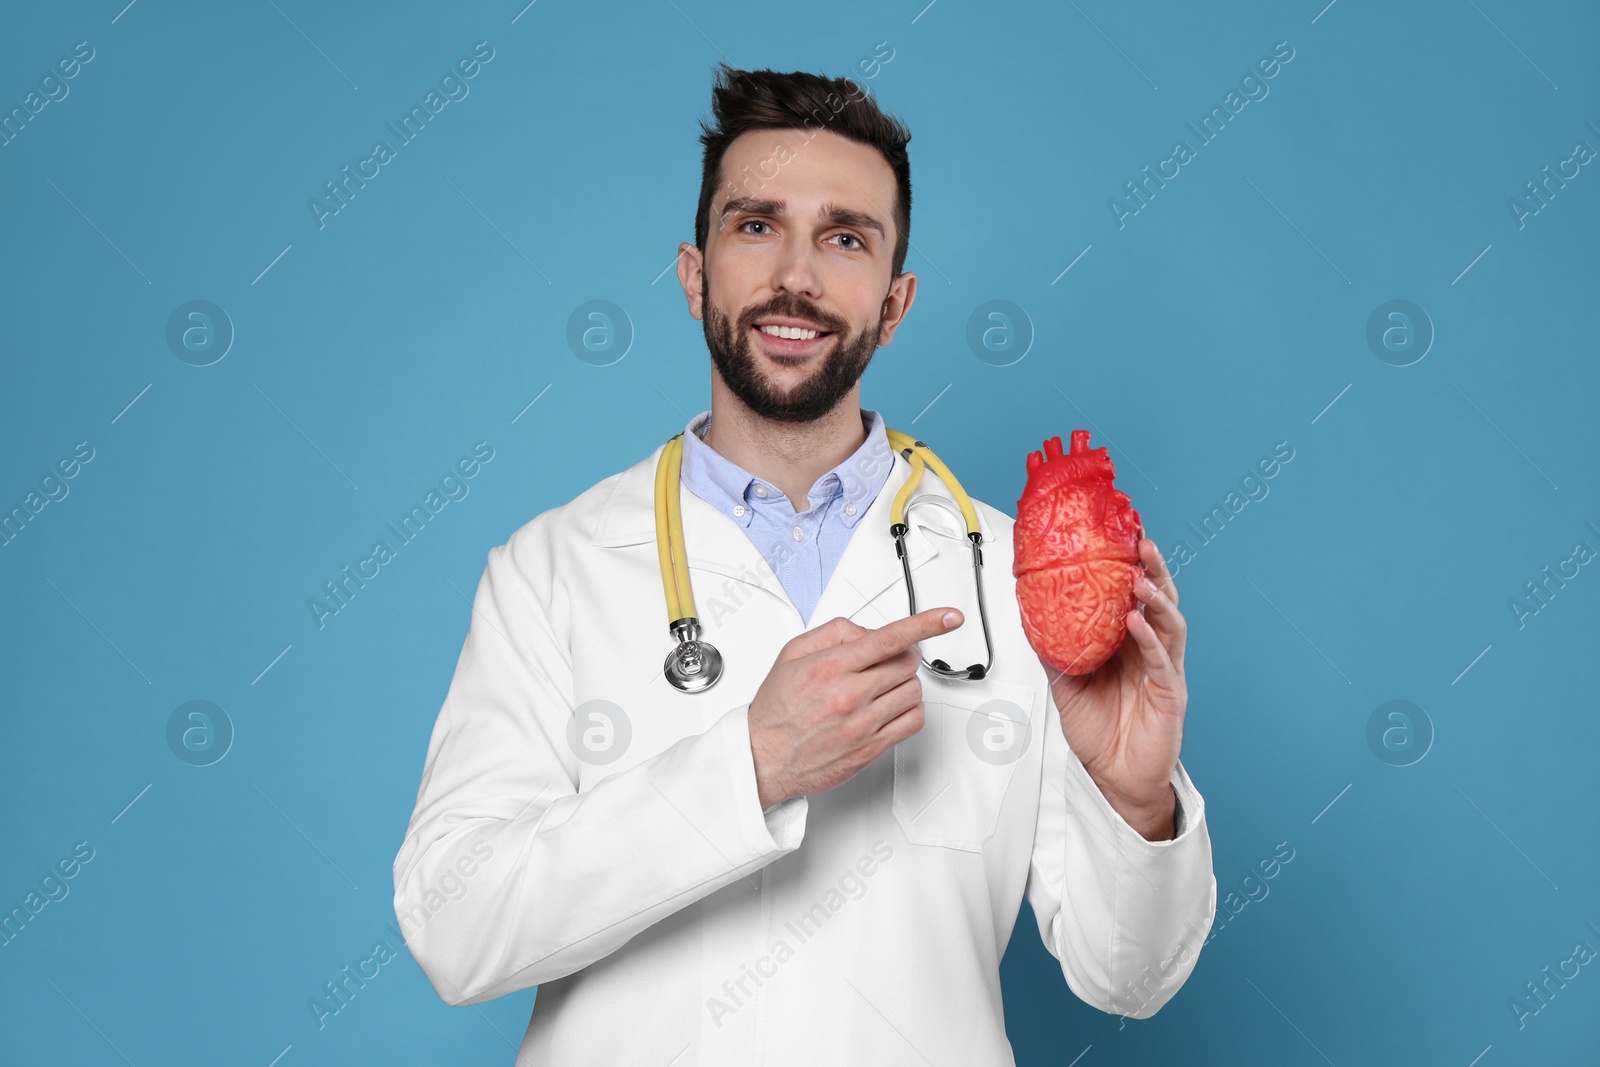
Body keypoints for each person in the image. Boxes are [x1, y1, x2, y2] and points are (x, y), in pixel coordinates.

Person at [392, 62, 1215, 1064]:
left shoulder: (1011, 574)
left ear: (895, 299)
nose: (797, 275)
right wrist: (746, 765)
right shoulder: (551, 571)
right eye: (755, 225)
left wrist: (1135, 799)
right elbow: (454, 922)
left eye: (844, 237)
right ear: (694, 273)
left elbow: (1126, 975)